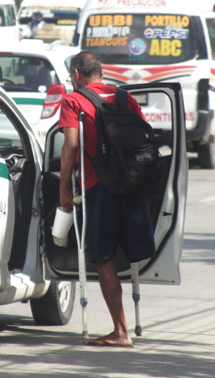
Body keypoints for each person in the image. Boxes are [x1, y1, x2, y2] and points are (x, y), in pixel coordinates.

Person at [58, 51, 156, 348]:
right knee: (130, 255)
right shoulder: (126, 99)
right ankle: (125, 327)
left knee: (104, 259)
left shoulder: (73, 101)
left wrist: (64, 188)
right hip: (133, 185)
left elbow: (72, 146)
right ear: (100, 71)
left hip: (98, 187)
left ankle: (121, 331)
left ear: (77, 74)